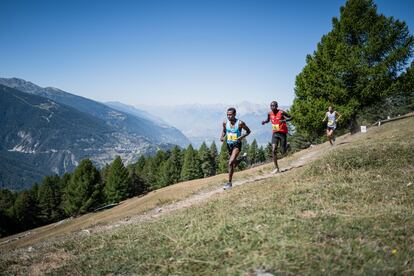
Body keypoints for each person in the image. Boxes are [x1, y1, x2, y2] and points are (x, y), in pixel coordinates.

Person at [220, 107, 251, 190]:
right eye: (227, 115)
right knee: (234, 164)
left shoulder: (240, 123)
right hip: (229, 145)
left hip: (237, 145)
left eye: (230, 115)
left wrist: (241, 137)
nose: (229, 116)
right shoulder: (225, 122)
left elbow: (248, 131)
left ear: (235, 114)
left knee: (230, 163)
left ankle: (229, 183)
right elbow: (224, 130)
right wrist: (222, 137)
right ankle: (242, 158)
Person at [261, 101, 292, 173]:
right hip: (275, 133)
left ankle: (287, 146)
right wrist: (264, 122)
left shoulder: (281, 112)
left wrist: (284, 120)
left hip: (282, 133)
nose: (273, 107)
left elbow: (291, 117)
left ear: (277, 106)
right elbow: (268, 120)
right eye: (271, 106)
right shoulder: (269, 113)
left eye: (274, 106)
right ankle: (276, 168)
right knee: (273, 150)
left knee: (283, 152)